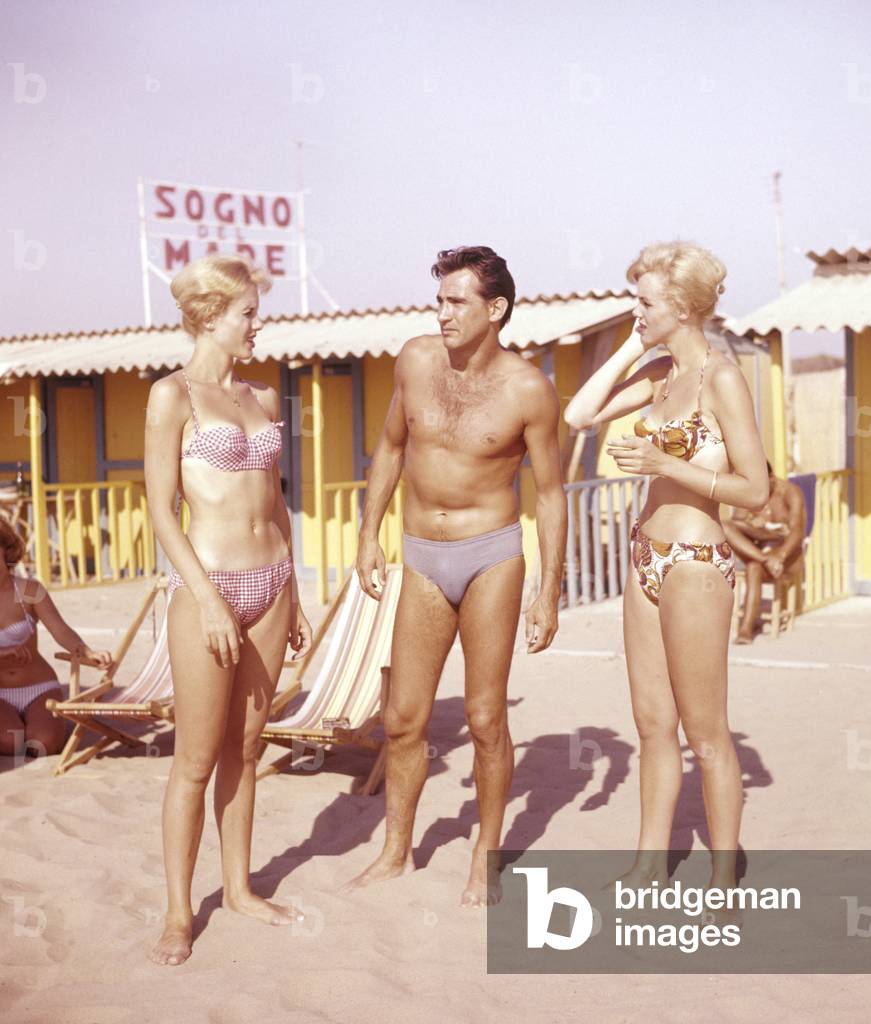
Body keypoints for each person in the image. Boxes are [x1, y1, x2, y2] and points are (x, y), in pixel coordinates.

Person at [347, 245, 566, 907]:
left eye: (456, 301)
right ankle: (395, 850)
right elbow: (389, 446)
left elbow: (551, 494)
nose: (441, 313)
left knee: (482, 716)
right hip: (418, 555)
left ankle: (485, 856)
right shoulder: (414, 360)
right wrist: (367, 533)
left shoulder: (528, 388)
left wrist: (547, 589)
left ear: (494, 309)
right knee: (404, 719)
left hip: (489, 556)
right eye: (438, 300)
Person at [564, 242, 768, 895]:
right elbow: (579, 415)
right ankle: (650, 862)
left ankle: (724, 876)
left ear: (680, 305)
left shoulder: (722, 378)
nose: (635, 309)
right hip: (644, 559)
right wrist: (633, 344)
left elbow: (754, 488)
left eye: (645, 301)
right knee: (652, 726)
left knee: (705, 735)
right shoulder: (661, 376)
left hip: (695, 564)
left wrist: (667, 467)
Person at [144, 253, 313, 966]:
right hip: (207, 587)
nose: (257, 322)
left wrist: (295, 589)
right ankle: (180, 911)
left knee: (247, 748)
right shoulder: (171, 397)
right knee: (194, 758)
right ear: (211, 316)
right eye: (248, 311)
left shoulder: (262, 400)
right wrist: (208, 599)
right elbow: (160, 510)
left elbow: (275, 501)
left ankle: (239, 888)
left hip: (271, 584)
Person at [0, 518, 112, 757]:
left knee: (42, 745)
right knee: (12, 745)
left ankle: (45, 722)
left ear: (5, 548)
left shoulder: (30, 591)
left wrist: (87, 652)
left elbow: (61, 630)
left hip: (39, 687)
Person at [722, 460, 807, 644]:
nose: (758, 488)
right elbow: (737, 522)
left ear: (771, 477)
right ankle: (746, 629)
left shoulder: (790, 493)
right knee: (725, 527)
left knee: (754, 566)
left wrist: (780, 555)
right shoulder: (752, 494)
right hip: (761, 550)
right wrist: (752, 523)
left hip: (786, 554)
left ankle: (746, 629)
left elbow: (797, 532)